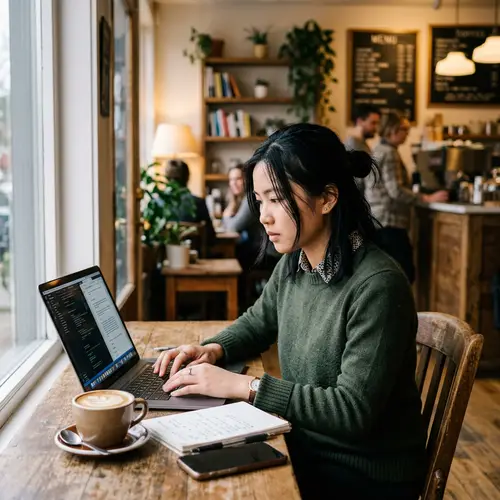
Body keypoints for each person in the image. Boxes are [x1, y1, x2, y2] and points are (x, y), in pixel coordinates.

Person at [154, 123, 427, 500]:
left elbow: (352, 411)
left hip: (363, 475)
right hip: (306, 446)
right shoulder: (296, 262)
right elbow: (259, 321)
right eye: (260, 200)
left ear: (328, 198)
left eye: (277, 199)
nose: (264, 216)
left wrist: (243, 387)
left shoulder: (377, 286)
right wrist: (212, 350)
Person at [365, 112, 448, 283]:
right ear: (392, 129)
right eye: (404, 129)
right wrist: (426, 198)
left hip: (377, 220)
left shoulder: (377, 149)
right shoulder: (390, 153)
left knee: (386, 275)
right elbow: (395, 190)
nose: (407, 133)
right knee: (403, 275)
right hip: (390, 222)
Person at [165, 160, 216, 249]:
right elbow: (210, 237)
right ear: (188, 178)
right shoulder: (198, 202)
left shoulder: (156, 203)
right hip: (193, 256)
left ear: (166, 178)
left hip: (163, 258)